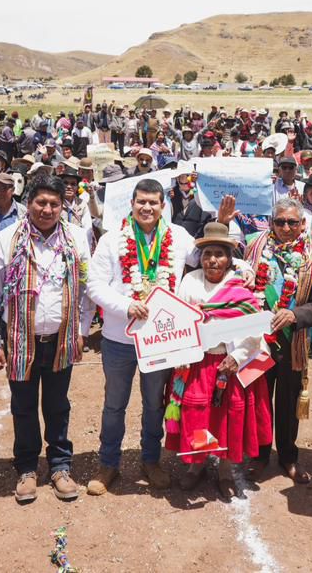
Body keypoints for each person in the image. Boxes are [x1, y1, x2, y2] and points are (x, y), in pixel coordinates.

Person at [0, 175, 93, 504]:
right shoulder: (7, 239)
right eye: (40, 203)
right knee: (24, 406)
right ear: (28, 204)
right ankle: (27, 467)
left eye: (54, 204)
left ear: (62, 206)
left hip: (61, 339)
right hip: (19, 339)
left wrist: (83, 330)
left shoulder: (75, 238)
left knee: (58, 406)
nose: (47, 209)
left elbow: (85, 288)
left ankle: (60, 466)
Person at [85, 177, 197, 495]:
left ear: (163, 206)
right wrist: (126, 305)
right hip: (119, 338)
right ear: (132, 204)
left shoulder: (179, 236)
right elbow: (95, 285)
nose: (146, 207)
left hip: (161, 340)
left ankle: (151, 460)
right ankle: (108, 464)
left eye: (153, 202)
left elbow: (206, 259)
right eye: (141, 201)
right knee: (114, 405)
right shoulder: (112, 240)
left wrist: (228, 234)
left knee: (153, 406)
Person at [167, 222, 271, 499]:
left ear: (229, 258)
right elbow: (178, 321)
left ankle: (225, 470)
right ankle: (196, 466)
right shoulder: (190, 282)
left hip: (230, 365)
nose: (212, 260)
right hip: (198, 363)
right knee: (198, 415)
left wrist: (236, 357)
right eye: (207, 254)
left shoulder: (239, 287)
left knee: (227, 417)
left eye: (219, 254)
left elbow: (253, 327)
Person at [241, 198, 312, 484]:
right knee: (260, 401)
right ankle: (260, 455)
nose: (286, 228)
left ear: (303, 223)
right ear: (272, 223)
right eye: (280, 222)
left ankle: (289, 457)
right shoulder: (253, 248)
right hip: (258, 341)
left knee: (289, 405)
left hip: (293, 343)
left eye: (293, 222)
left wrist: (294, 314)